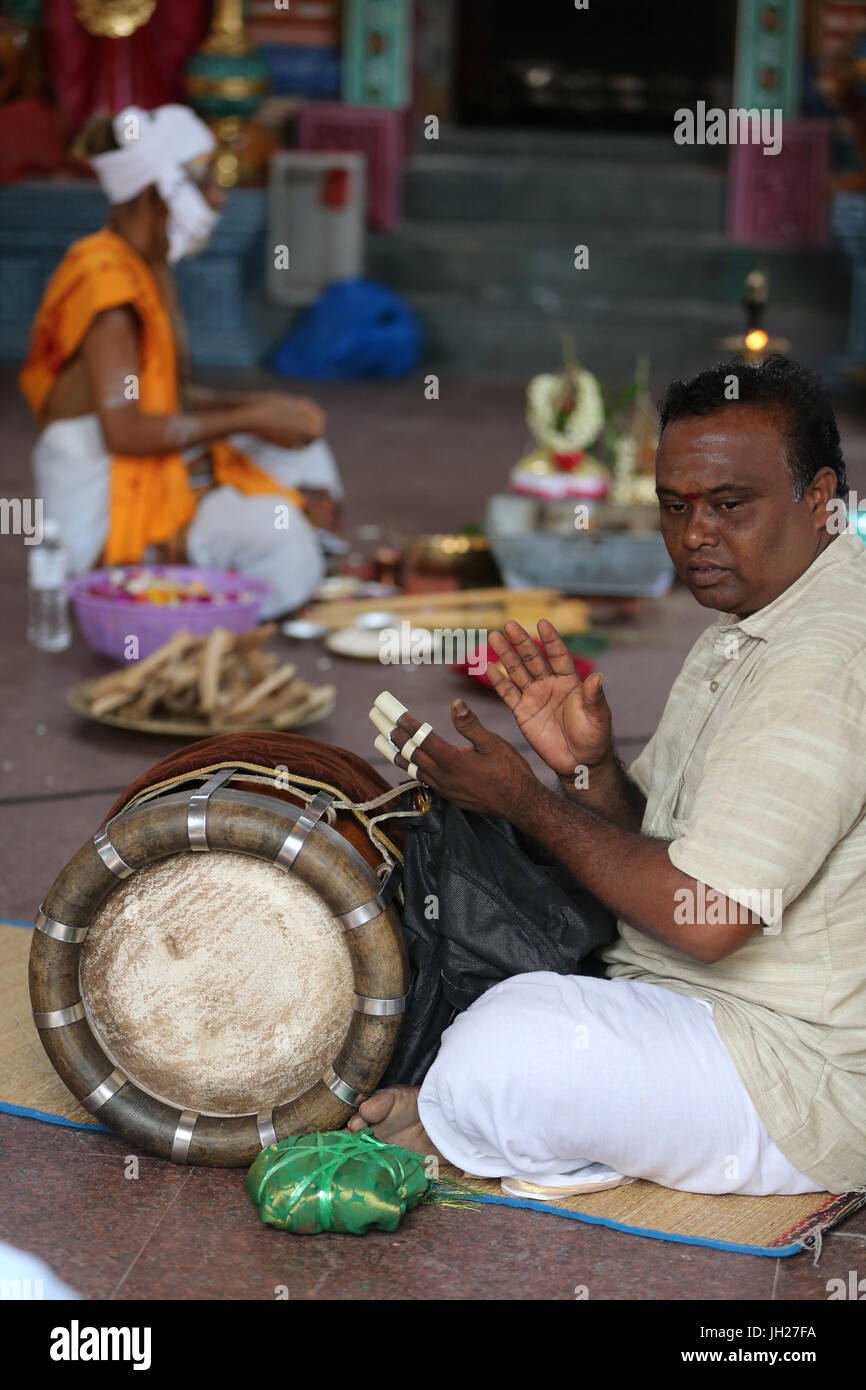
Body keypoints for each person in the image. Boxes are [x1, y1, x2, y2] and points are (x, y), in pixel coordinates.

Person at [350, 355, 866, 1199]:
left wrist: (525, 803)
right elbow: (652, 845)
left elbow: (710, 918)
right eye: (675, 507)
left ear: (819, 498)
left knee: (506, 1048)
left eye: (729, 505)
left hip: (798, 1071)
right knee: (466, 989)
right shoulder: (751, 618)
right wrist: (585, 769)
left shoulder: (830, 655)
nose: (695, 534)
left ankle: (476, 1118)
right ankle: (472, 1118)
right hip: (686, 1002)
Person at [19, 104, 341, 617]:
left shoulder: (147, 265)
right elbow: (123, 431)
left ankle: (231, 569)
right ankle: (180, 592)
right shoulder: (113, 296)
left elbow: (168, 395)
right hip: (109, 506)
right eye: (205, 184)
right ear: (155, 196)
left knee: (305, 451)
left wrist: (260, 404)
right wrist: (250, 418)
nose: (219, 197)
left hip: (150, 467)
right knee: (283, 543)